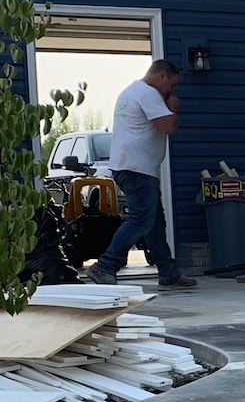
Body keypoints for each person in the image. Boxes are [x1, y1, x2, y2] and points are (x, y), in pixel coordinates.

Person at [82, 59, 197, 289]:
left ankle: (168, 272)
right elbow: (169, 127)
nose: (170, 91)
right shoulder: (147, 94)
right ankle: (106, 265)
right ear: (162, 75)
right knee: (141, 220)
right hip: (137, 169)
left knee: (154, 223)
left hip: (132, 166)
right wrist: (173, 107)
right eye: (171, 85)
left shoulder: (131, 92)